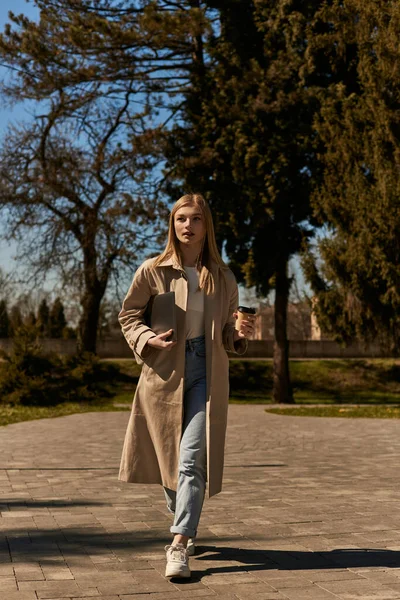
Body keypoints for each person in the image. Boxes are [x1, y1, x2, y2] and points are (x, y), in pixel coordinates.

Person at [118, 193, 255, 579]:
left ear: (205, 225)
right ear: (172, 224)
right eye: (181, 219)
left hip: (207, 372)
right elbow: (128, 316)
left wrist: (240, 334)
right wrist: (147, 338)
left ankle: (179, 543)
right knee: (169, 460)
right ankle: (184, 517)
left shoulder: (223, 277)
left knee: (193, 458)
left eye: (195, 219)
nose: (188, 226)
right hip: (164, 373)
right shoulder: (152, 270)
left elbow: (229, 336)